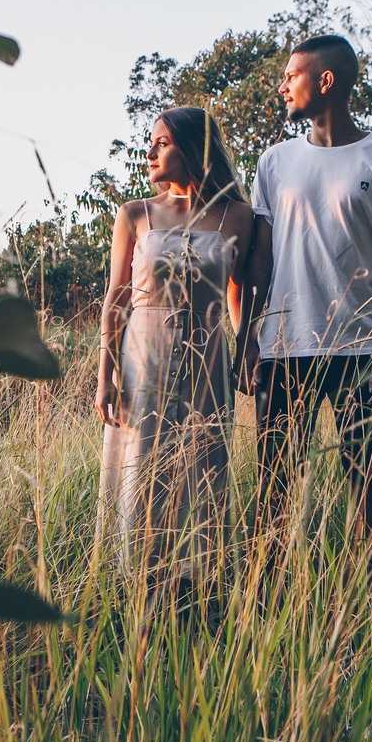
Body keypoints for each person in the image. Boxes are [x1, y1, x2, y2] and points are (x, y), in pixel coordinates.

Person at [230, 35, 372, 616]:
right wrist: (248, 340)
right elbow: (260, 262)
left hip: (364, 350)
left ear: (327, 81)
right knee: (274, 488)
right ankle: (264, 612)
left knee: (371, 488)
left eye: (292, 75)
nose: (283, 86)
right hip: (284, 348)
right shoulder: (274, 162)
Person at [95, 107, 253, 603]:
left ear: (193, 149)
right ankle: (139, 590)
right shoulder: (135, 214)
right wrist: (105, 376)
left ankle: (195, 592)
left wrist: (245, 349)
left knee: (204, 469)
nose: (150, 152)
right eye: (152, 143)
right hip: (143, 358)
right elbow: (116, 298)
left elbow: (238, 294)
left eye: (162, 143)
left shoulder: (238, 216)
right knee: (143, 469)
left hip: (209, 360)